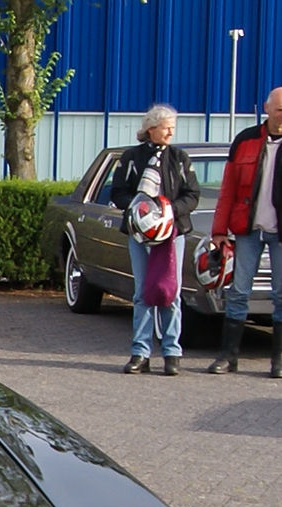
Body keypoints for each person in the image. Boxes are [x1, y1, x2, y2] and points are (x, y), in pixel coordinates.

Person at [110, 103, 200, 376]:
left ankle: (172, 352)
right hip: (139, 233)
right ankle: (140, 353)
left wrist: (169, 211)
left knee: (170, 292)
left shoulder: (180, 158)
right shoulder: (131, 158)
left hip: (173, 234)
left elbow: (192, 194)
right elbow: (118, 192)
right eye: (166, 127)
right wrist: (139, 209)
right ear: (151, 129)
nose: (171, 132)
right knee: (142, 293)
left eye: (173, 127)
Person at [206, 87, 282, 376]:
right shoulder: (245, 140)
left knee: (281, 295)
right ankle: (228, 356)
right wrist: (218, 231)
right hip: (248, 230)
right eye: (279, 110)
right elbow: (228, 190)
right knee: (238, 292)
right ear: (267, 108)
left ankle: (278, 360)